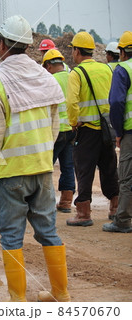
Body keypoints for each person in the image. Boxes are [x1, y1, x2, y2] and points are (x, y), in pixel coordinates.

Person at [0, 15, 69, 302]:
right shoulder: (45, 76)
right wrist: (42, 152)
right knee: (48, 232)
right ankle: (60, 294)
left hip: (11, 172)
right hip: (42, 168)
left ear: (3, 43)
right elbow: (54, 125)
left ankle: (18, 300)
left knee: (10, 237)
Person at [66, 31, 119, 226]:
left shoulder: (77, 73)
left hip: (87, 131)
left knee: (84, 170)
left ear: (77, 50)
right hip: (107, 128)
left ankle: (83, 213)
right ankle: (115, 207)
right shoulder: (107, 70)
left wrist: (73, 122)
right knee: (109, 167)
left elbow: (71, 103)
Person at [103, 31, 132, 233]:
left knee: (126, 177)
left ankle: (122, 220)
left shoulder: (123, 70)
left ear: (122, 52)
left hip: (130, 131)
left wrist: (119, 132)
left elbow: (116, 102)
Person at [42, 49, 76, 213]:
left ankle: (45, 203)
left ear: (48, 65)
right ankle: (66, 202)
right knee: (68, 166)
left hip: (56, 131)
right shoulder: (72, 77)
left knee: (47, 167)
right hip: (71, 129)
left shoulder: (50, 80)